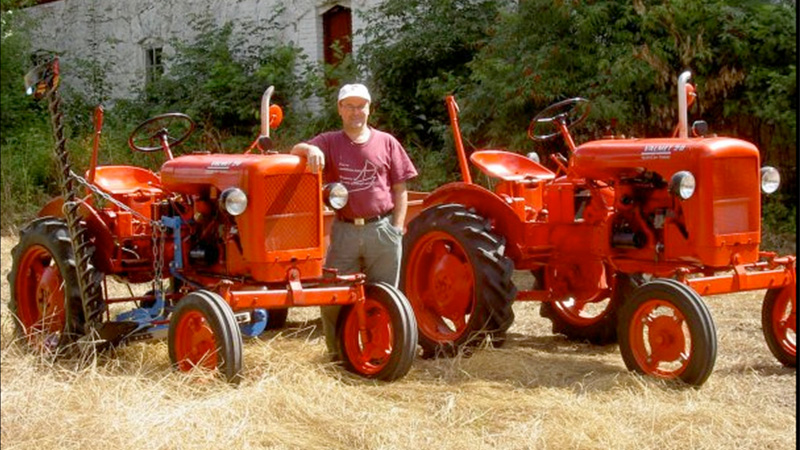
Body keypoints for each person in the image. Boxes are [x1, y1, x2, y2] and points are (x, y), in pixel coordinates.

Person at [291, 83, 418, 359]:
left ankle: (379, 354)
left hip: (382, 231)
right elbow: (294, 150)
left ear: (369, 109)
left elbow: (400, 189)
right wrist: (309, 150)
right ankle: (337, 355)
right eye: (349, 106)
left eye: (361, 106)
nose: (356, 112)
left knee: (385, 297)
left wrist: (397, 229)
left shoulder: (387, 142)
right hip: (345, 231)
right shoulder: (329, 141)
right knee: (333, 295)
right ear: (340, 109)